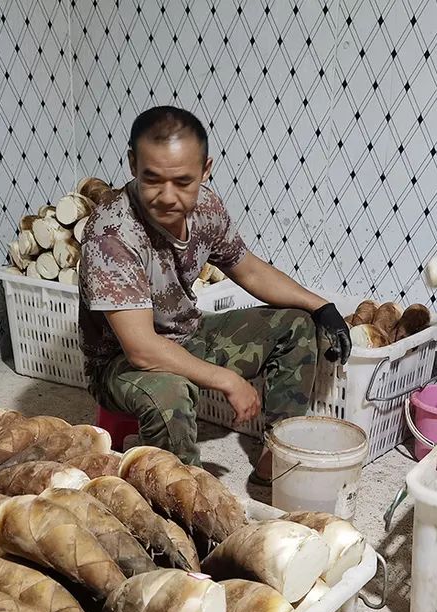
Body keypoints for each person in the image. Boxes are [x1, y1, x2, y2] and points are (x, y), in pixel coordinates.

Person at [78, 106, 351, 479]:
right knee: (168, 395)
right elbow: (141, 349)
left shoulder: (206, 207)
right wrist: (228, 380)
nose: (167, 196)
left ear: (205, 170)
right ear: (132, 164)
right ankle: (186, 495)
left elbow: (249, 269)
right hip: (120, 364)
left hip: (187, 334)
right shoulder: (112, 233)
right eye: (152, 179)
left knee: (296, 325)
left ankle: (276, 458)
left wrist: (321, 307)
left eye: (183, 182)